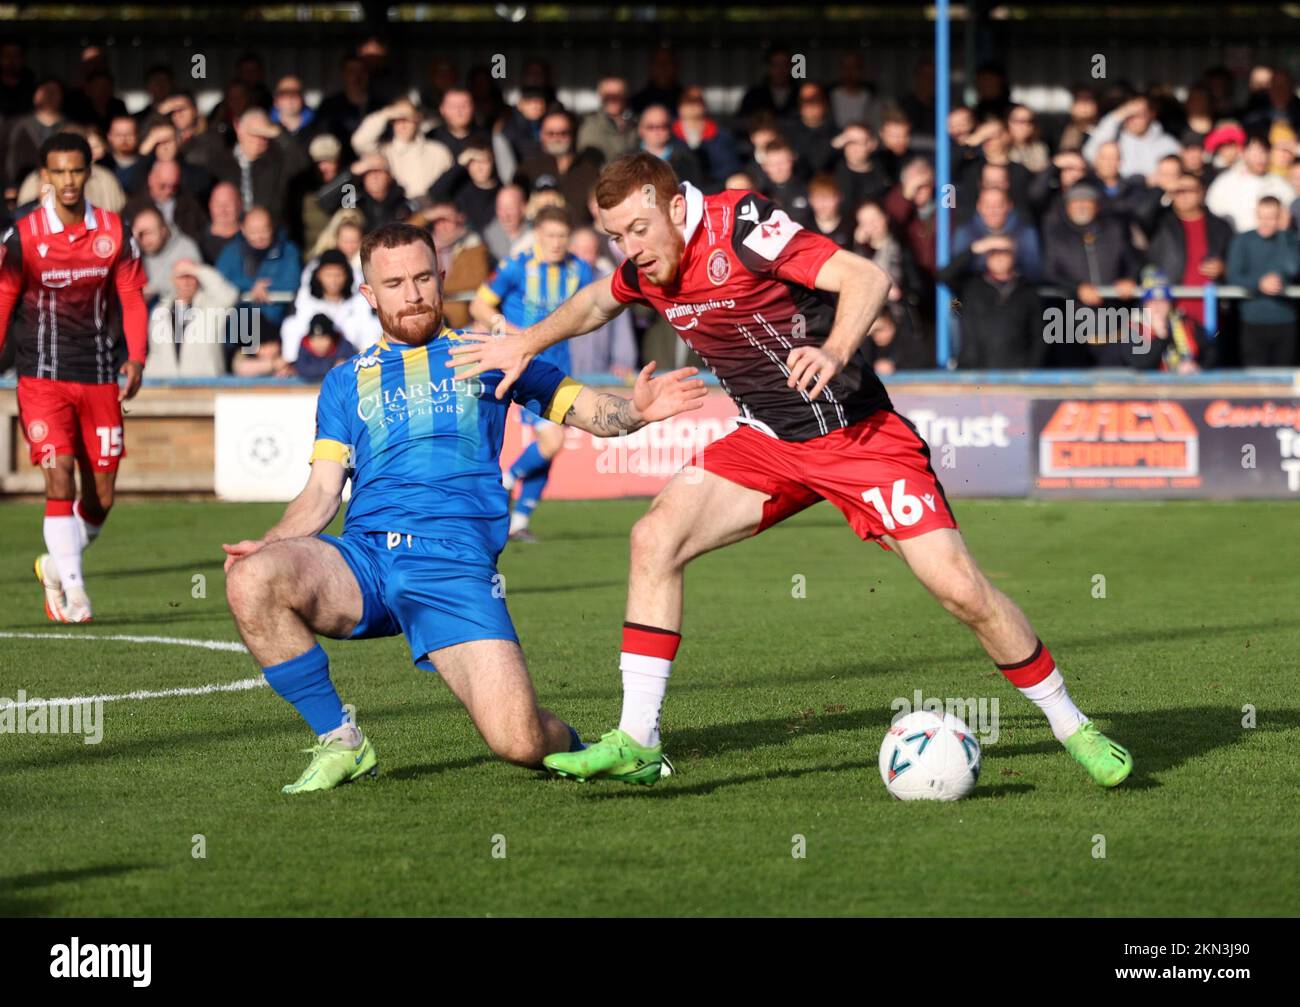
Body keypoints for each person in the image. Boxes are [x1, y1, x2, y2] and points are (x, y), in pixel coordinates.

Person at [450, 153, 1134, 790]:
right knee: (654, 536)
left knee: (961, 590)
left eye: (638, 228)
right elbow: (599, 299)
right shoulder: (646, 266)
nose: (631, 248)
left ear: (675, 207)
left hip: (860, 437)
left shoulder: (740, 222)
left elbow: (867, 277)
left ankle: (1071, 724)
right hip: (770, 441)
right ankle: (638, 738)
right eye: (616, 234)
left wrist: (834, 349)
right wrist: (526, 341)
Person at [221, 221, 706, 794]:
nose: (414, 293)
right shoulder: (345, 382)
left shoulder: (494, 353)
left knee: (519, 742)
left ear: (442, 276)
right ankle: (341, 742)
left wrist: (636, 412)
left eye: (424, 277)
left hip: (452, 568)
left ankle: (595, 750)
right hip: (364, 563)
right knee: (252, 580)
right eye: (395, 282)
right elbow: (323, 491)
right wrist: (271, 543)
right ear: (369, 295)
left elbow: (591, 412)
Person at [0, 132, 149, 622]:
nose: (68, 181)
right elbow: (3, 299)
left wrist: (138, 358)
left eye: (76, 170)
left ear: (89, 173)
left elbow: (131, 297)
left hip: (101, 374)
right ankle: (76, 590)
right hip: (42, 375)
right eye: (58, 171)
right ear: (45, 175)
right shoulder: (22, 234)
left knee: (101, 498)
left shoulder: (112, 230)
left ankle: (56, 564)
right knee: (57, 474)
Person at [469, 205, 595, 541]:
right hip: (523, 366)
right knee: (552, 440)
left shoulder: (579, 270)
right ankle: (507, 483)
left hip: (559, 367)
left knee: (551, 443)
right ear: (537, 234)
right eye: (550, 235)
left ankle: (521, 519)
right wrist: (510, 332)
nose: (556, 242)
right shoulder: (516, 266)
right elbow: (479, 305)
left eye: (562, 236)